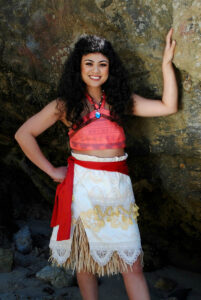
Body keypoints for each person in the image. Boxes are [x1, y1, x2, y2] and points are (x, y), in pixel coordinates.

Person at [15, 28, 178, 300]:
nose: (95, 70)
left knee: (132, 263)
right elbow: (23, 134)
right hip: (83, 189)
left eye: (102, 64)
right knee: (85, 261)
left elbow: (168, 106)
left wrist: (166, 64)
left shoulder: (120, 101)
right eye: (89, 63)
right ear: (77, 67)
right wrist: (52, 170)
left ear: (109, 69)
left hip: (118, 191)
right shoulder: (65, 105)